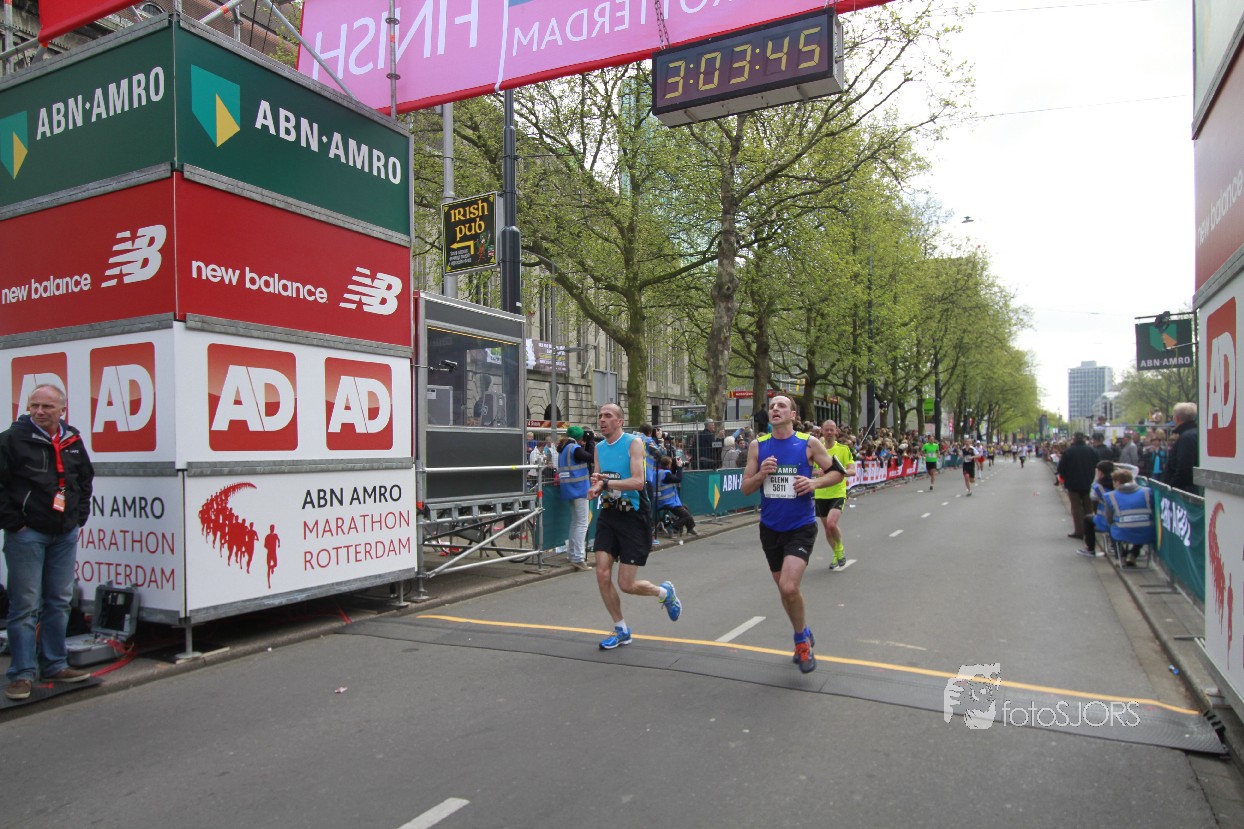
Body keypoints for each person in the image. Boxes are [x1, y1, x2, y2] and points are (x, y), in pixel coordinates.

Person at [1, 384, 95, 701]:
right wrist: (15, 522)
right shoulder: (12, 440)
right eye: (34, 406)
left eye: (47, 407)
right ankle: (21, 674)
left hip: (64, 533)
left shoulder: (72, 440)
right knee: (25, 605)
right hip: (27, 534)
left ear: (62, 410)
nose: (39, 412)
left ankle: (55, 665)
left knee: (59, 600)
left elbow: (84, 479)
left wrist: (78, 516)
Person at [741, 396, 846, 673]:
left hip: (801, 526)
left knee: (789, 587)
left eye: (781, 406)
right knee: (785, 590)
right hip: (770, 528)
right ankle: (804, 630)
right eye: (772, 406)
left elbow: (838, 473)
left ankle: (801, 641)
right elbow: (745, 488)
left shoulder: (809, 443)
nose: (775, 409)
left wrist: (814, 482)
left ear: (793, 414)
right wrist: (761, 474)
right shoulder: (758, 446)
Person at [588, 404, 681, 650]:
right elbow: (598, 477)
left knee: (626, 585)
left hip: (633, 516)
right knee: (602, 574)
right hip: (609, 513)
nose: (602, 420)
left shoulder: (634, 443)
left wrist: (606, 484)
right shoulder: (598, 448)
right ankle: (621, 629)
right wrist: (595, 486)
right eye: (600, 416)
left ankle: (664, 593)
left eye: (608, 416)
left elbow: (639, 482)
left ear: (620, 421)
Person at [814, 420, 857, 570]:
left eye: (831, 430)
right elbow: (808, 469)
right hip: (821, 493)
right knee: (827, 529)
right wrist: (817, 472)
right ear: (822, 431)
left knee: (832, 524)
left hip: (838, 492)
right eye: (826, 430)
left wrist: (843, 472)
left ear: (836, 431)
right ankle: (835, 554)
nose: (829, 433)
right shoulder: (816, 450)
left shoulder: (843, 449)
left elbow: (852, 470)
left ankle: (839, 549)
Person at [558, 426, 595, 570]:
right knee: (582, 523)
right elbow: (591, 457)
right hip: (579, 489)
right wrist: (591, 441)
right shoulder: (574, 448)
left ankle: (572, 554)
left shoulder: (564, 448)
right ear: (580, 437)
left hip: (569, 489)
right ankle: (578, 558)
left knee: (575, 522)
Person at [1104, 468, 1157, 567]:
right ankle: (1133, 554)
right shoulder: (1147, 491)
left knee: (1112, 528)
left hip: (1122, 532)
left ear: (1117, 482)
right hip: (1147, 532)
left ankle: (1121, 557)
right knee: (1142, 525)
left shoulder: (1110, 496)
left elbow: (1109, 519)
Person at [1057, 432, 1098, 542]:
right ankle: (1089, 530)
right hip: (1088, 482)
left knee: (1076, 508)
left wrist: (1065, 477)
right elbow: (1097, 464)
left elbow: (1061, 468)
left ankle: (1079, 531)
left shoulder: (1069, 451)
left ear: (1074, 439)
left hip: (1073, 483)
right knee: (1088, 507)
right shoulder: (1091, 450)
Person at [1077, 461, 1115, 557]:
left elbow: (1093, 497)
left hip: (1105, 519)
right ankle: (1113, 546)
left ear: (1100, 472)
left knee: (1087, 519)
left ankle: (1090, 549)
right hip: (1120, 519)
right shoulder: (1119, 483)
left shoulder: (1098, 486)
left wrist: (1096, 480)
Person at [655, 456, 697, 538]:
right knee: (687, 516)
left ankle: (690, 528)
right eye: (671, 464)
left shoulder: (658, 472)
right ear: (668, 465)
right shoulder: (666, 475)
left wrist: (675, 466)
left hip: (661, 500)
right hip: (667, 502)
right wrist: (679, 467)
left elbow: (671, 475)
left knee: (685, 507)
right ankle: (672, 527)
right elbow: (678, 479)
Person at [1163, 402, 1199, 494]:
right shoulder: (1193, 433)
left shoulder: (1186, 437)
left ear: (1177, 418)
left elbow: (1184, 468)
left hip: (1184, 491)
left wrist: (1170, 488)